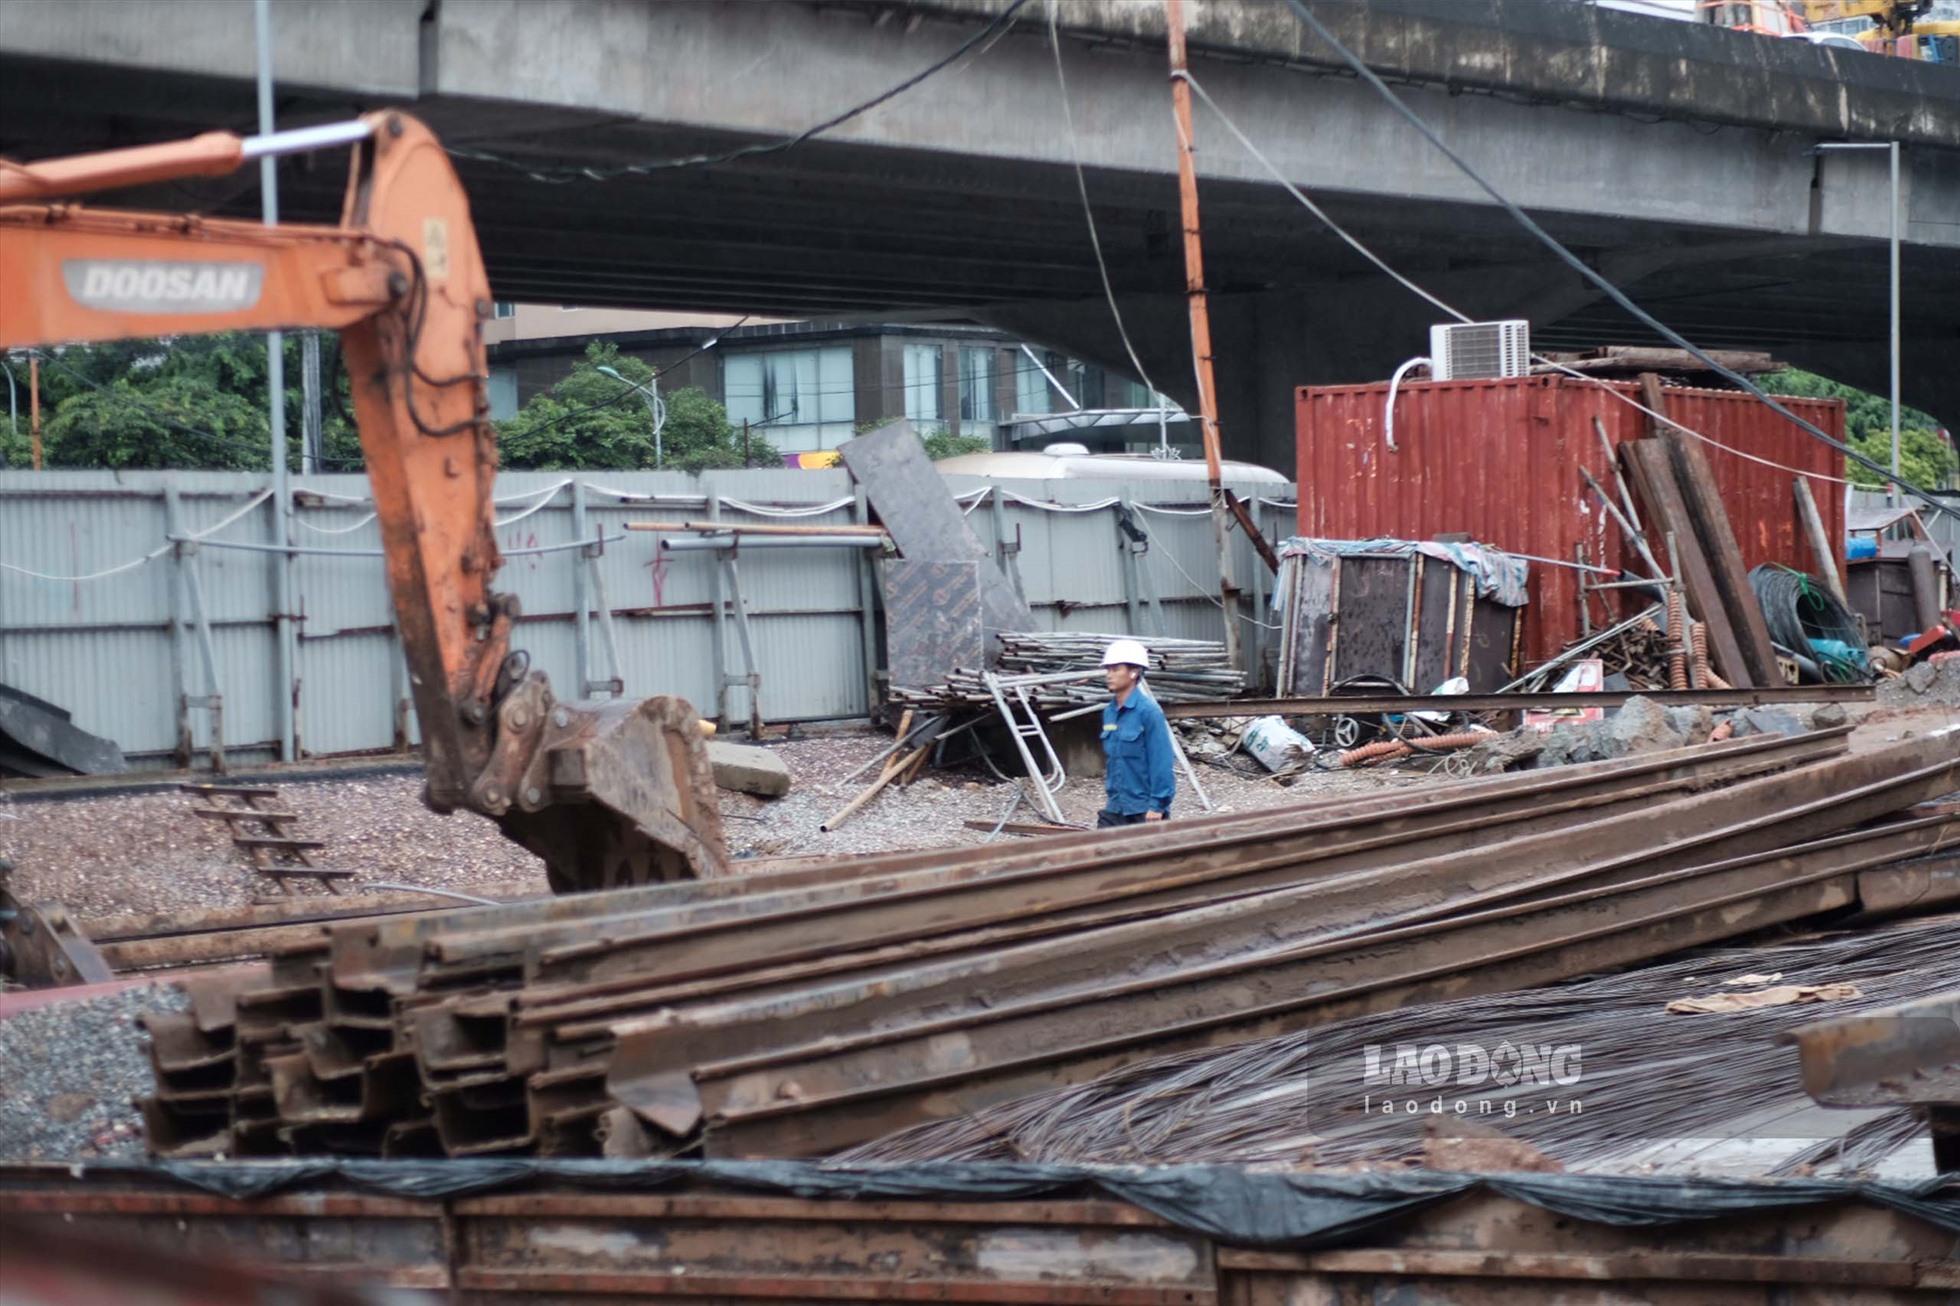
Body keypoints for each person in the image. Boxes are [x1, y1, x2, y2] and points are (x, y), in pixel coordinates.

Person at [1097, 638, 1175, 828]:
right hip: (1116, 808)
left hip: (1144, 811)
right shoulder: (1110, 712)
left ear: (1134, 672)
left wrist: (1158, 806)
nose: (1109, 675)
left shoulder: (1148, 712)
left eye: (1116, 669)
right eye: (1108, 669)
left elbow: (1161, 761)